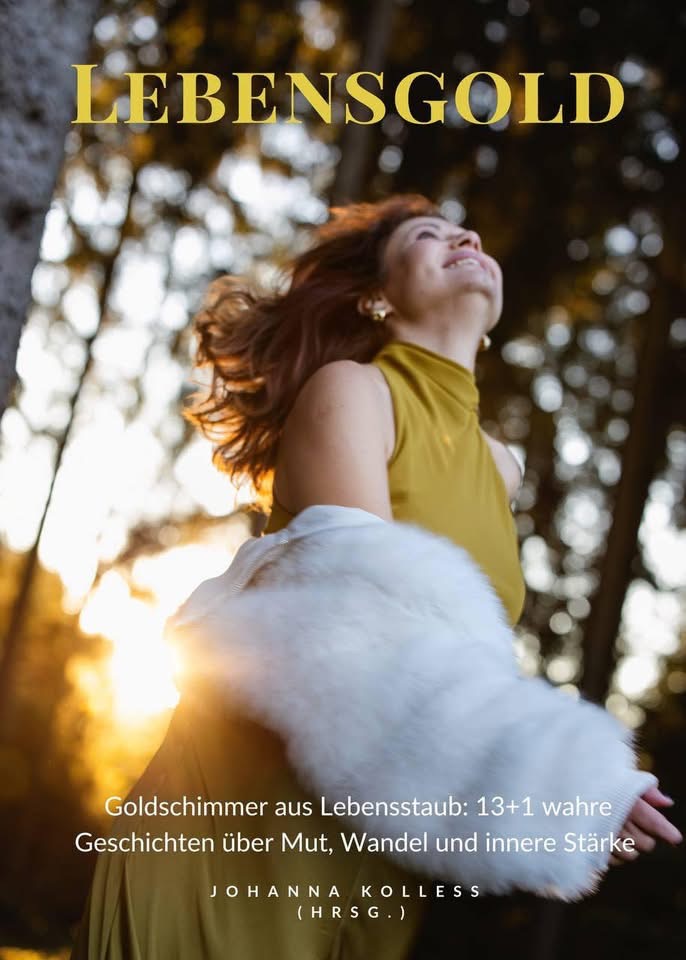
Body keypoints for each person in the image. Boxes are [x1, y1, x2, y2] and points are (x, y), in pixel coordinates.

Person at [71, 195, 681, 960]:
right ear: (377, 298)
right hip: (243, 824)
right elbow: (358, 632)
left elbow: (464, 659)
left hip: (378, 857)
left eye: (466, 229)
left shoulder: (502, 467)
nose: (466, 234)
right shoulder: (352, 390)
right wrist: (569, 779)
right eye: (428, 234)